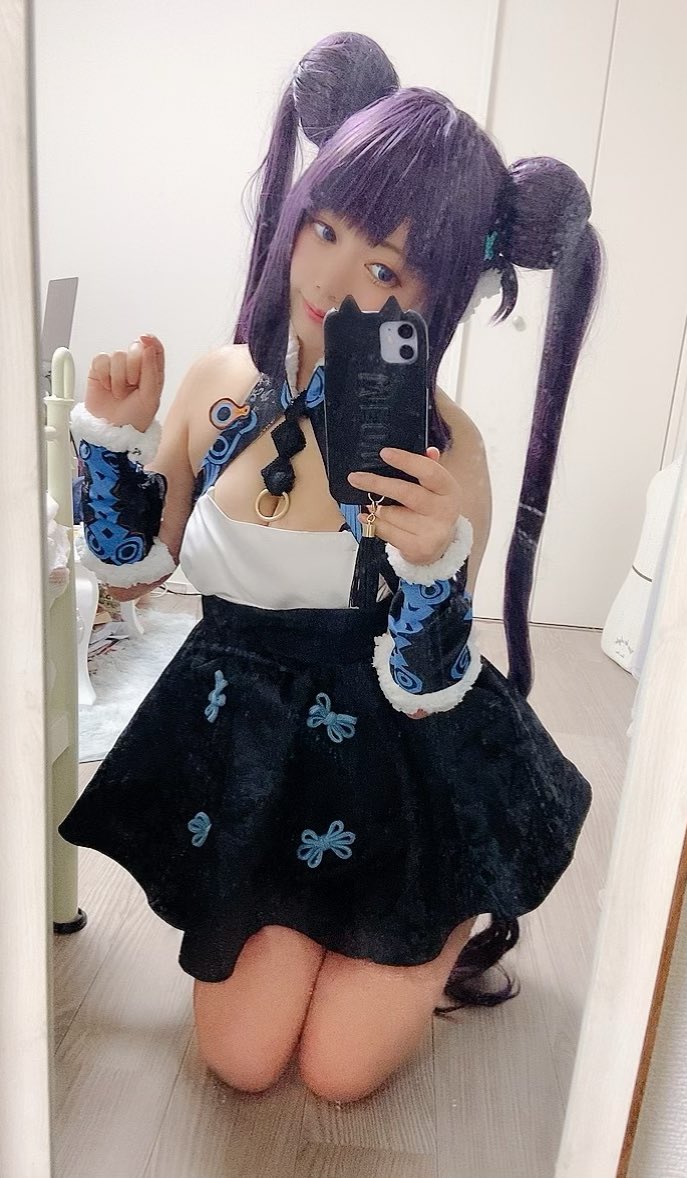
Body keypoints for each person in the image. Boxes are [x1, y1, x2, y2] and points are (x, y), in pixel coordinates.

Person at [59, 32, 600, 1104]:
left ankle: (434, 913)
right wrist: (110, 444)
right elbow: (132, 571)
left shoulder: (446, 451)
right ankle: (303, 922)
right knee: (243, 1059)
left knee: (340, 1073)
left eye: (387, 268)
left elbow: (429, 677)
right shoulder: (217, 383)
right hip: (250, 745)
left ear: (446, 293)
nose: (333, 278)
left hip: (392, 763)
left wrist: (433, 563)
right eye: (326, 227)